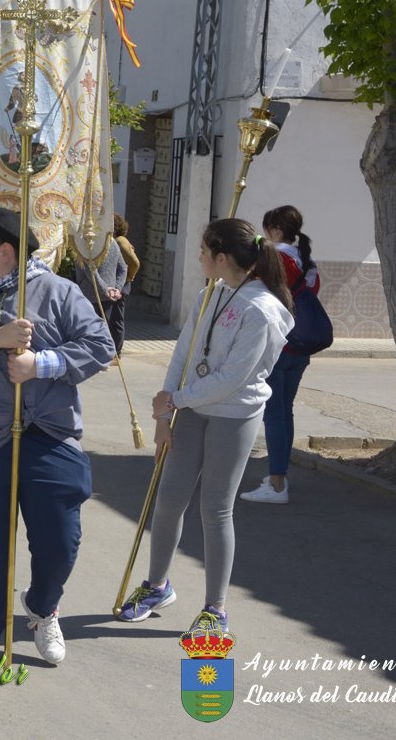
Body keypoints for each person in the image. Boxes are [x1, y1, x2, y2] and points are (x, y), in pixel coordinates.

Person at [0, 207, 114, 681]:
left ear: (6, 253)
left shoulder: (58, 291)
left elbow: (100, 345)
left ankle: (43, 606)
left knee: (59, 542)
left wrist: (41, 364)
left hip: (48, 435)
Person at [118, 218, 293, 634]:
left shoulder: (261, 309)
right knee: (169, 497)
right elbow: (183, 355)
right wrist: (165, 412)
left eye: (203, 252)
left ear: (222, 257)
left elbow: (233, 378)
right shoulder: (209, 294)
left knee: (215, 509)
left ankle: (215, 608)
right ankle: (157, 586)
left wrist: (175, 400)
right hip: (192, 409)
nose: (199, 258)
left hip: (234, 415)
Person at [241, 205, 318, 505]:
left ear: (274, 229)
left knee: (273, 414)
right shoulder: (307, 260)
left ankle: (276, 485)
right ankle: (279, 477)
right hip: (301, 344)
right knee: (285, 411)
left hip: (278, 344)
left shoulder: (274, 258)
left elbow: (259, 293)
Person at [73, 236, 127, 358]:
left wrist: (111, 289)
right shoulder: (111, 242)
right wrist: (114, 289)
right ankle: (104, 357)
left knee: (92, 332)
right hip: (107, 296)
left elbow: (91, 271)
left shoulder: (87, 243)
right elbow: (123, 268)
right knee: (103, 330)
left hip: (91, 295)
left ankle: (98, 357)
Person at [112, 213, 139, 357]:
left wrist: (129, 276)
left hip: (121, 284)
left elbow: (134, 262)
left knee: (116, 318)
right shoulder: (115, 240)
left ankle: (117, 351)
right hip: (118, 283)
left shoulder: (120, 241)